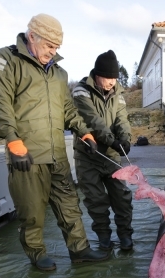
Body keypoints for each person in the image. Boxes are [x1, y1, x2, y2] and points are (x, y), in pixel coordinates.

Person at [0, 13, 109, 271]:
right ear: (32, 36)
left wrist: (84, 132)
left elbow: (68, 109)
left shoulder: (59, 74)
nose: (52, 53)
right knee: (32, 211)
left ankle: (80, 250)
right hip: (27, 155)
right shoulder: (7, 61)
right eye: (49, 46)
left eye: (57, 48)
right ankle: (37, 253)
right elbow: (0, 104)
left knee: (69, 205)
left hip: (56, 154)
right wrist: (12, 141)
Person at [71, 50, 134, 251]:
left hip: (112, 156)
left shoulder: (119, 95)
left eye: (115, 78)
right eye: (108, 77)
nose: (112, 82)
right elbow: (93, 120)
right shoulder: (81, 92)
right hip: (88, 155)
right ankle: (104, 237)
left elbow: (122, 120)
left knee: (122, 197)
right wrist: (112, 140)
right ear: (97, 75)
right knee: (96, 201)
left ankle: (125, 235)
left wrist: (124, 139)